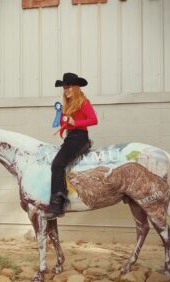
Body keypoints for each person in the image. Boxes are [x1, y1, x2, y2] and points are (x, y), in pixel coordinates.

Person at [45, 72, 98, 220]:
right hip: (71, 138)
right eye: (64, 88)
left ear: (75, 87)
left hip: (79, 138)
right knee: (56, 163)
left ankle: (57, 204)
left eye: (68, 87)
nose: (66, 90)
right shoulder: (67, 105)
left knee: (57, 165)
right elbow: (65, 123)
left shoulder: (83, 102)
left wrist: (75, 123)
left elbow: (94, 120)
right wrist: (62, 120)